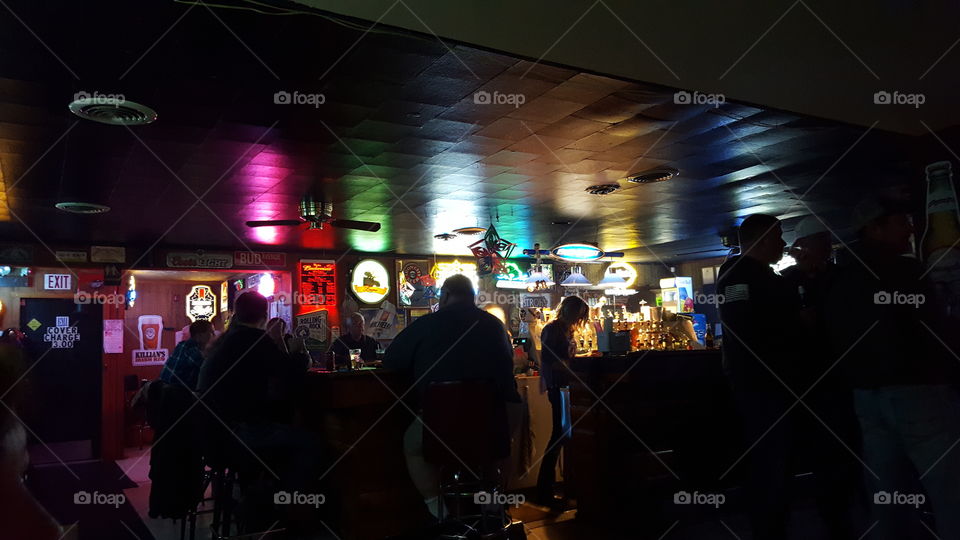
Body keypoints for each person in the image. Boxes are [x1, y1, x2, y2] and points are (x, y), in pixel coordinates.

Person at [825, 197, 960, 540]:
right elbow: (934, 331)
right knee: (949, 489)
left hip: (867, 397)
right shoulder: (905, 271)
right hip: (918, 391)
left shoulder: (840, 279)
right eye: (901, 222)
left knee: (888, 494)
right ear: (875, 228)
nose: (911, 228)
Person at [384, 274, 521, 519]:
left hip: (442, 427)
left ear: (445, 295)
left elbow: (391, 361)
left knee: (412, 445)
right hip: (493, 425)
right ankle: (492, 506)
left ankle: (440, 512)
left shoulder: (426, 324)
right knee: (498, 447)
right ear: (474, 297)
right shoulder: (494, 325)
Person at [198, 291, 321, 529]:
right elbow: (291, 371)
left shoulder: (228, 340)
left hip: (218, 438)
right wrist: (299, 350)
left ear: (237, 314)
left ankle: (259, 501)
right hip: (241, 436)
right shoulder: (253, 339)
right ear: (265, 315)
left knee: (286, 436)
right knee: (311, 442)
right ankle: (290, 514)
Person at [717, 213, 802, 540]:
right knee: (771, 458)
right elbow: (746, 328)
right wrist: (796, 322)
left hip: (762, 381)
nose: (783, 243)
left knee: (773, 457)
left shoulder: (748, 274)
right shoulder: (742, 275)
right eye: (778, 236)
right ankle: (769, 528)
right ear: (762, 239)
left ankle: (771, 525)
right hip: (763, 383)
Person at [781, 216, 862, 539]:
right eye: (819, 245)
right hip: (823, 380)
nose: (824, 250)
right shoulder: (797, 281)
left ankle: (840, 512)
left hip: (826, 379)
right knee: (832, 451)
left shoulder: (794, 280)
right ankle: (839, 515)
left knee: (836, 450)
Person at [535, 295, 588, 506]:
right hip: (558, 386)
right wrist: (571, 367)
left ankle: (565, 487)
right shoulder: (553, 329)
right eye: (578, 314)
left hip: (565, 386)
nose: (579, 319)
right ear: (567, 311)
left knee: (564, 435)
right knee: (560, 435)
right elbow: (548, 359)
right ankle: (545, 490)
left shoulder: (567, 330)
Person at [160, 320, 214, 391]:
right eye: (211, 333)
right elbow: (210, 369)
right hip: (174, 396)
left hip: (164, 392)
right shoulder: (191, 349)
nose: (215, 336)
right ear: (199, 336)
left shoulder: (182, 345)